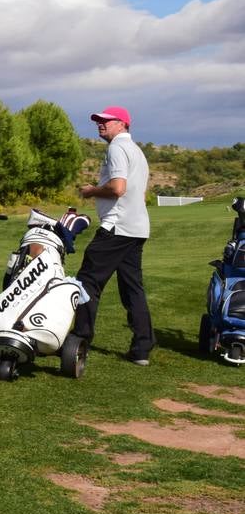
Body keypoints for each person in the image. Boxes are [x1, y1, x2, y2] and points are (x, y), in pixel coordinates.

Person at [73, 105, 153, 365]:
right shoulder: (137, 152)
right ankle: (142, 348)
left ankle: (80, 337)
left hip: (117, 227)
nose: (101, 124)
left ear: (123, 124)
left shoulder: (117, 148)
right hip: (136, 227)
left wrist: (91, 191)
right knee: (133, 289)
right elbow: (138, 194)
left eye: (107, 120)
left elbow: (118, 188)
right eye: (98, 120)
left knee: (87, 281)